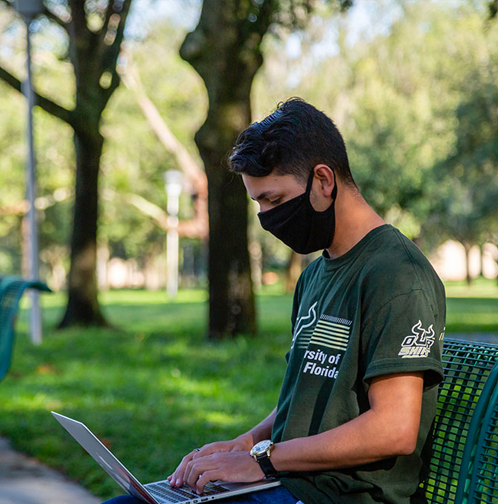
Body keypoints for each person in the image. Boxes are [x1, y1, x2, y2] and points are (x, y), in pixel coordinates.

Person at [110, 98, 446, 504]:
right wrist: (244, 444)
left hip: (340, 496)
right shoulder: (314, 276)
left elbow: (394, 428)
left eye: (274, 200)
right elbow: (305, 401)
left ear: (323, 180)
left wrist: (265, 461)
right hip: (285, 483)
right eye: (258, 205)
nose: (268, 219)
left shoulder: (397, 275)